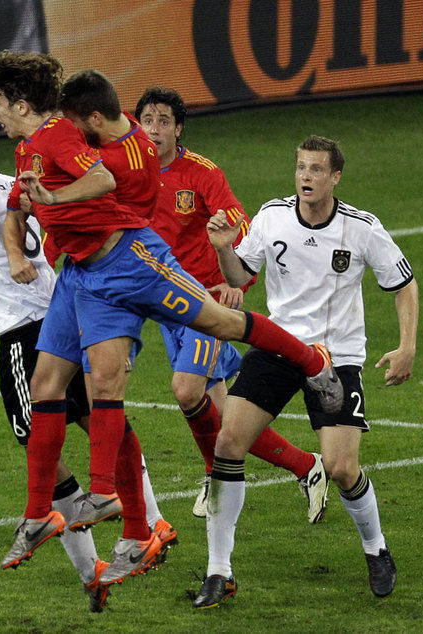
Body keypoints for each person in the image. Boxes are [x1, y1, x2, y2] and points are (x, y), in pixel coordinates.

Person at [0, 52, 342, 587]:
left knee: (216, 330)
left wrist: (56, 196)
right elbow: (24, 202)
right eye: (149, 120)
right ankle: (68, 513)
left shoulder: (75, 142)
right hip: (87, 275)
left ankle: (311, 361)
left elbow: (100, 182)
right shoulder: (42, 142)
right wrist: (19, 248)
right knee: (63, 383)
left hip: (136, 265)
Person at [0, 117, 133, 611]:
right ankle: (131, 534)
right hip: (60, 316)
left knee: (33, 435)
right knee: (91, 416)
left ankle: (65, 512)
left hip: (23, 330)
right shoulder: (9, 181)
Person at [195, 135, 419, 608]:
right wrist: (221, 249)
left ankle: (376, 547)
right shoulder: (272, 216)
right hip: (279, 348)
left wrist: (406, 346)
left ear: (335, 177)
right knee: (228, 442)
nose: (305, 177)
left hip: (335, 359)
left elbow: (404, 282)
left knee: (340, 467)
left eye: (316, 170)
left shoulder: (362, 228)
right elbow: (239, 278)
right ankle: (219, 569)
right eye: (300, 168)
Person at [135, 87, 329, 523]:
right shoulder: (132, 174)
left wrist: (233, 280)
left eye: (164, 120)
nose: (155, 129)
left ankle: (216, 477)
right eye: (147, 119)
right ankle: (306, 466)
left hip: (205, 305)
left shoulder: (201, 173)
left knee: (186, 391)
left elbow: (237, 224)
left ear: (178, 128)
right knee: (223, 418)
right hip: (166, 304)